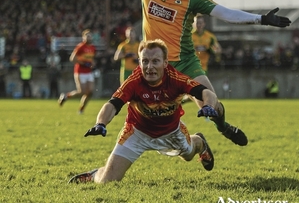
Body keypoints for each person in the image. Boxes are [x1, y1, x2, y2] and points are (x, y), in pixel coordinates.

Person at [108, 0, 291, 147]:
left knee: (210, 103)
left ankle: (224, 127)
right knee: (147, 114)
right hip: (155, 64)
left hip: (185, 62)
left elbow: (224, 13)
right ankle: (186, 145)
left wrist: (261, 19)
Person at [68, 39, 219, 184]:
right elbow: (112, 104)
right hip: (137, 133)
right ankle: (95, 174)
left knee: (188, 155)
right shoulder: (134, 81)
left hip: (172, 132)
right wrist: (100, 123)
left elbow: (207, 93)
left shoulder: (176, 78)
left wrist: (208, 106)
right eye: (145, 61)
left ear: (165, 63)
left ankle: (200, 143)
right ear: (139, 62)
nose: (149, 67)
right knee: (107, 181)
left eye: (155, 61)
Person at [58, 29, 96, 114]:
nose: (88, 38)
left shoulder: (93, 48)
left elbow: (91, 59)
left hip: (88, 72)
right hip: (80, 71)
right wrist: (83, 63)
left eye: (90, 36)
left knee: (90, 92)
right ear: (83, 37)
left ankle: (81, 109)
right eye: (87, 36)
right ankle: (65, 96)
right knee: (81, 92)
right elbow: (72, 58)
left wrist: (92, 63)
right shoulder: (80, 47)